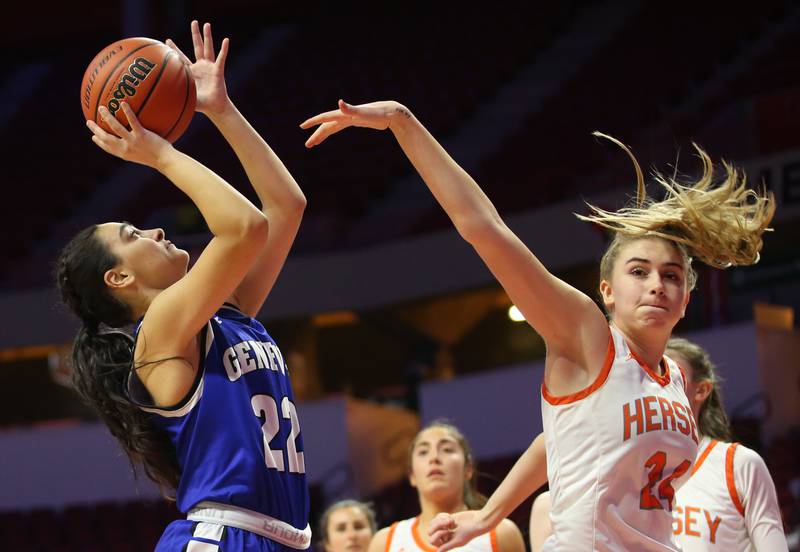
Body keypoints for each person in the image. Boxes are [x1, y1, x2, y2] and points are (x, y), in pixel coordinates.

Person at [300, 100, 774, 550]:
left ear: (687, 298)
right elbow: (485, 228)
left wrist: (490, 514)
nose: (656, 285)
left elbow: (558, 440)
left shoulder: (674, 379)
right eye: (638, 271)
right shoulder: (588, 335)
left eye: (671, 276)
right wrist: (404, 123)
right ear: (606, 290)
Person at [57, 21, 309, 551]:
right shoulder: (159, 332)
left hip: (274, 537)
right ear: (119, 278)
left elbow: (285, 207)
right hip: (223, 538)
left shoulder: (224, 316)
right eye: (133, 235)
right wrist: (157, 153)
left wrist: (220, 110)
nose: (155, 231)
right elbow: (244, 227)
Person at [666, 338, 789, 551]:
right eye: (651, 375)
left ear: (701, 390)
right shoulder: (631, 467)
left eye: (672, 375)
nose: (659, 383)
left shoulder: (738, 464)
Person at [366, 422, 525, 552]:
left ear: (468, 469)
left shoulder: (501, 533)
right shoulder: (386, 542)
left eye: (447, 449)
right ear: (412, 475)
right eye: (423, 452)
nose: (434, 457)